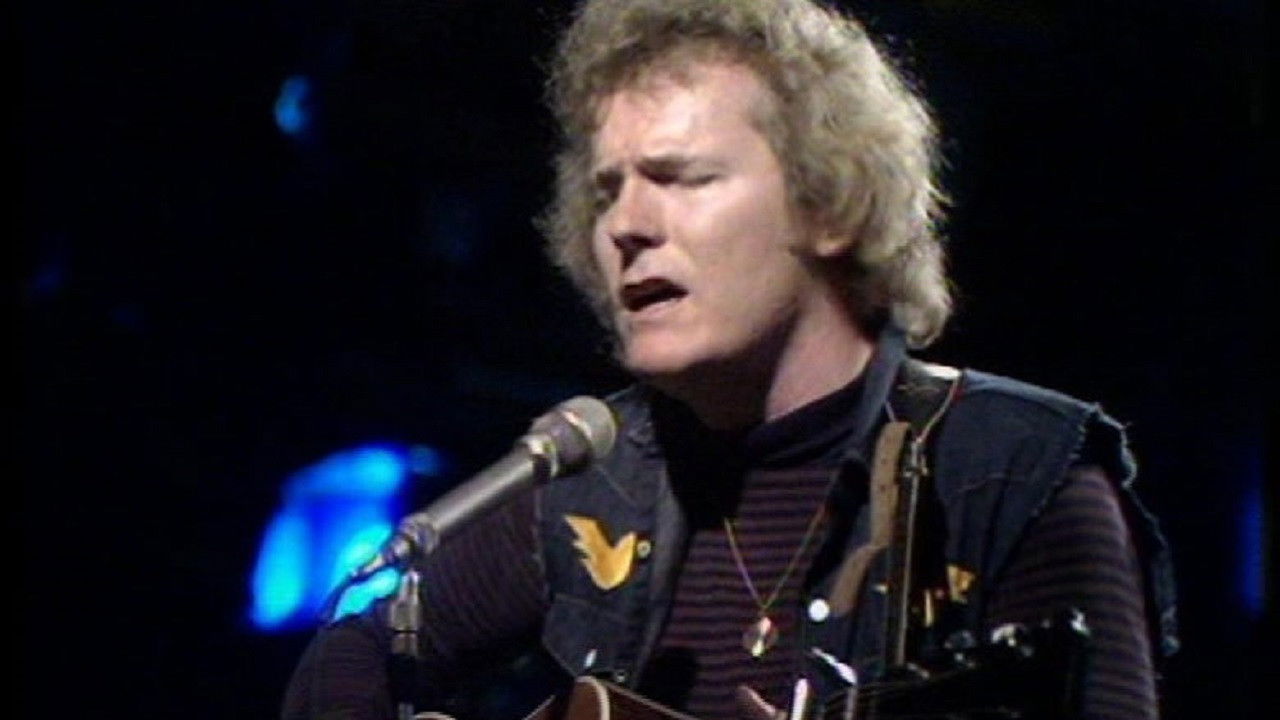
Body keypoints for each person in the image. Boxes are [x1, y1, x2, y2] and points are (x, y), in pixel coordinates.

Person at [282, 1, 1177, 718]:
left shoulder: (1015, 477)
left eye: (680, 178)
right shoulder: (593, 481)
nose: (625, 226)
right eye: (607, 191)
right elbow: (350, 654)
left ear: (831, 205)